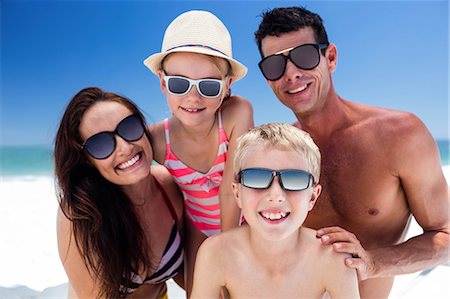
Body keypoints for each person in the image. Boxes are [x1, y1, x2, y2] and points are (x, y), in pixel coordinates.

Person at [254, 6, 449, 299]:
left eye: (304, 56)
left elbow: (445, 238)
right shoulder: (277, 153)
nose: (291, 74)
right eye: (274, 65)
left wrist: (372, 263)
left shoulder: (400, 135)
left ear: (330, 58)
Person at [143, 10, 253, 294]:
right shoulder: (156, 139)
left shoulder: (236, 113)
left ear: (227, 86)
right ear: (162, 82)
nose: (193, 97)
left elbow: (232, 189)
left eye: (208, 86)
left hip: (243, 224)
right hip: (196, 230)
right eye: (179, 84)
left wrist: (227, 249)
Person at [190, 123, 360, 298]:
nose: (275, 194)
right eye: (257, 178)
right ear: (237, 193)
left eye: (294, 179)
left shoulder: (333, 258)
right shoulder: (217, 253)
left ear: (312, 197)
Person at [55, 87, 184, 299]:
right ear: (87, 159)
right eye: (101, 143)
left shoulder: (169, 186)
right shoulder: (79, 214)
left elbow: (186, 274)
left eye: (129, 127)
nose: (124, 147)